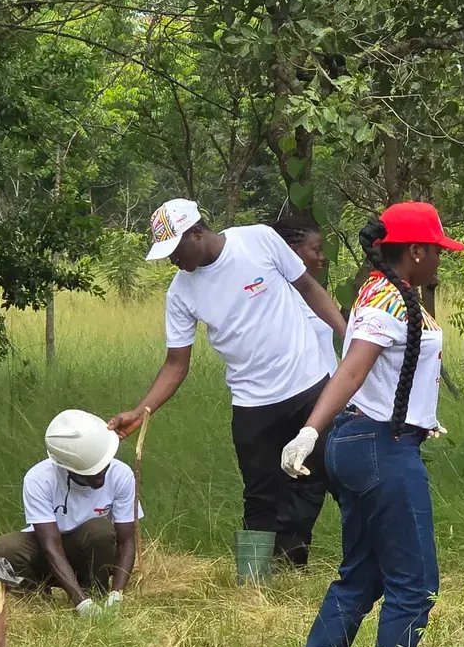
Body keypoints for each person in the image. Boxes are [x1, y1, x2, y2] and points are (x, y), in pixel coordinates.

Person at [110, 199, 346, 568]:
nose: (173, 261)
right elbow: (176, 363)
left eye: (175, 250)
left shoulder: (259, 241)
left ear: (197, 232)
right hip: (251, 402)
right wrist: (142, 410)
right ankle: (254, 580)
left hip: (308, 386)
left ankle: (301, 564)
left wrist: (348, 337)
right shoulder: (180, 293)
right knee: (259, 493)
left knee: (319, 478)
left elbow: (308, 288)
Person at [282, 202, 461, 647]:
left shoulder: (382, 291)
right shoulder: (390, 300)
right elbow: (354, 368)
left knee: (362, 575)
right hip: (382, 446)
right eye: (438, 251)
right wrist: (308, 430)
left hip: (361, 443)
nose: (441, 260)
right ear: (417, 251)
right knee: (415, 583)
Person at [0, 410, 140, 611]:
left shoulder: (121, 475)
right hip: (49, 552)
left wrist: (117, 593)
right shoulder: (39, 479)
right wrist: (80, 602)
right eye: (91, 473)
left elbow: (126, 540)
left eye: (103, 466)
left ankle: (96, 592)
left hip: (88, 552)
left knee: (100, 529)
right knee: (5, 548)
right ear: (68, 469)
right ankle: (37, 598)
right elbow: (51, 546)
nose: (101, 475)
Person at [272, 207, 341, 376]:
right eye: (316, 250)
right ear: (292, 251)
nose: (322, 257)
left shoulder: (312, 295)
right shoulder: (282, 298)